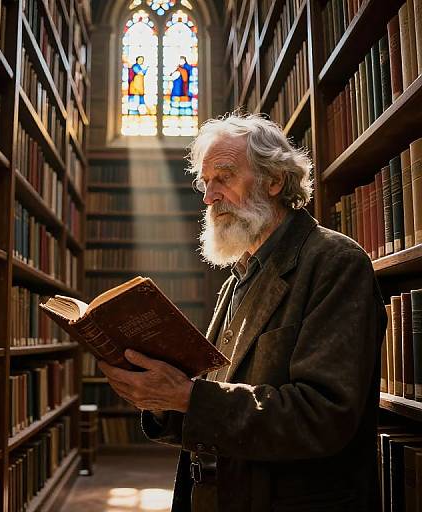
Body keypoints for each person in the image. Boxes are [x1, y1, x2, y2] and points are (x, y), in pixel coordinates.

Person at [98, 113, 387, 512]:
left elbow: (324, 415)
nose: (209, 197)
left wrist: (187, 397)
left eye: (224, 176)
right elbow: (210, 400)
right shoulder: (240, 275)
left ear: (274, 180)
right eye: (205, 182)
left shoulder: (335, 262)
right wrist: (159, 397)